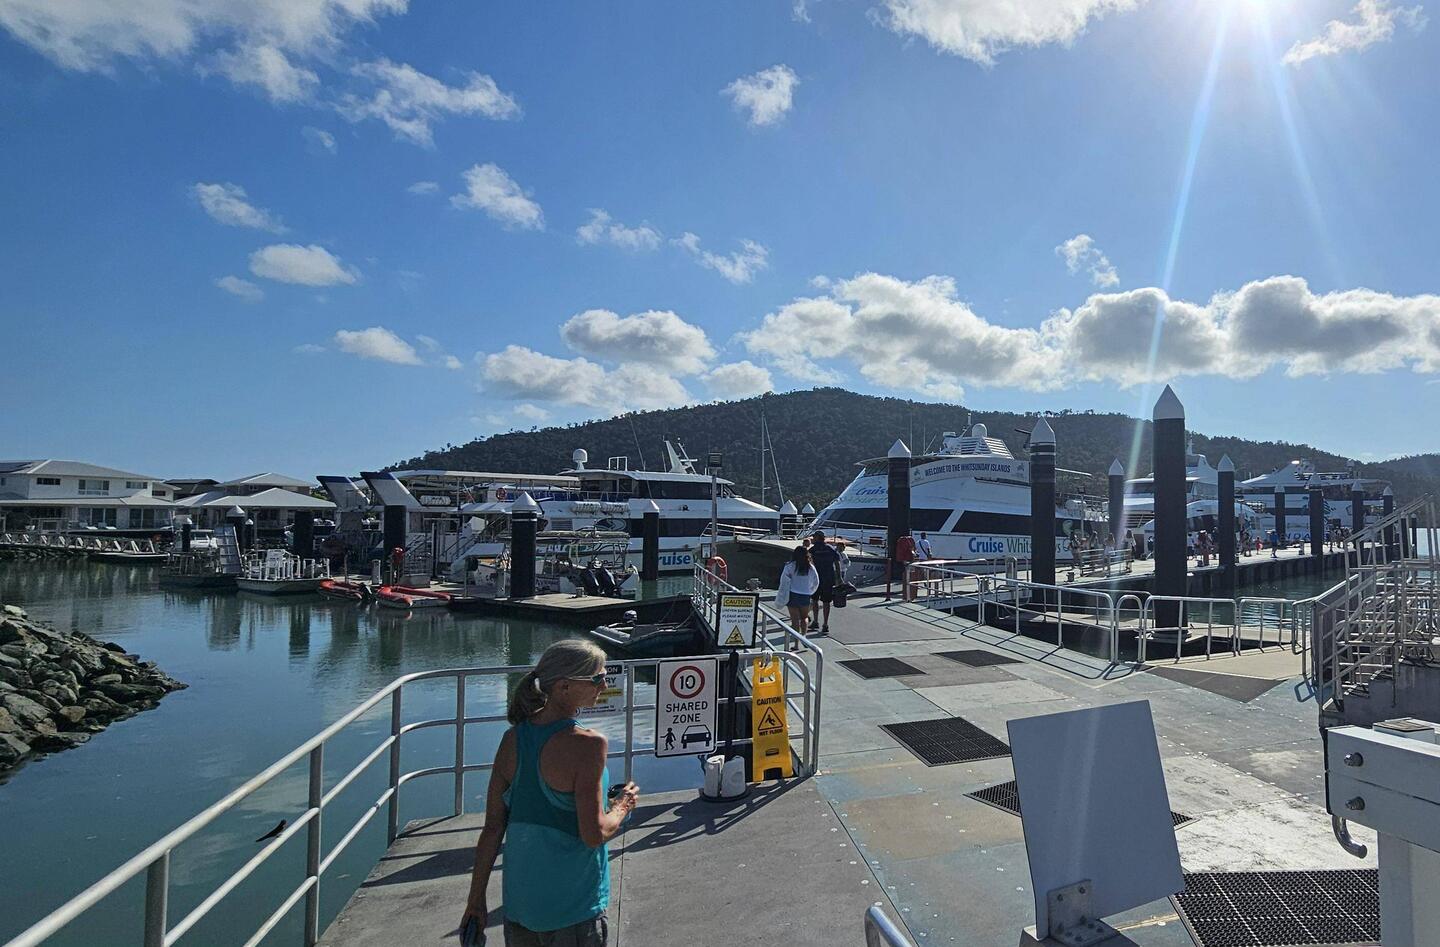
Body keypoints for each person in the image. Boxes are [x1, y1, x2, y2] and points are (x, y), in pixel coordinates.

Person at [460, 639, 638, 947]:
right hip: (574, 910)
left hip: (521, 909)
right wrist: (622, 805)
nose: (604, 684)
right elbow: (594, 833)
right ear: (564, 687)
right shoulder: (589, 744)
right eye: (597, 678)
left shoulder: (512, 740)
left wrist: (475, 901)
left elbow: (492, 830)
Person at [776, 544, 820, 644]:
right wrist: (810, 591)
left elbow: (783, 581)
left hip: (793, 594)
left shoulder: (789, 566)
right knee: (804, 617)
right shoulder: (810, 567)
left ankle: (796, 643)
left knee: (794, 620)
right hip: (805, 595)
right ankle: (803, 637)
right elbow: (816, 581)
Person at [809, 531, 844, 636]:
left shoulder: (813, 550)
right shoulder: (830, 549)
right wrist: (839, 577)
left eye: (814, 537)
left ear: (818, 538)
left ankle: (815, 621)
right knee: (826, 602)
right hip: (829, 578)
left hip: (816, 579)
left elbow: (809, 564)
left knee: (814, 600)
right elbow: (837, 563)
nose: (812, 539)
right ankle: (825, 624)